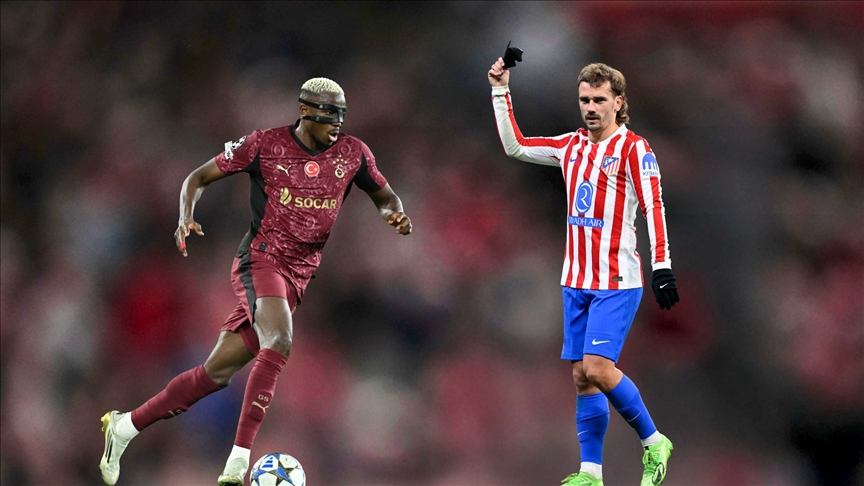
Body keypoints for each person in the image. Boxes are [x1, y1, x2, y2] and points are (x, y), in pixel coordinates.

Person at [99, 77, 412, 486]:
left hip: (297, 276)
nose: (336, 124)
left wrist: (394, 213)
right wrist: (185, 215)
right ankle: (239, 460)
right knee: (279, 340)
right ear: (306, 111)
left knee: (214, 375)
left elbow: (385, 195)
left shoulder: (353, 154)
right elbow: (198, 177)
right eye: (328, 114)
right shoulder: (264, 144)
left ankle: (124, 427)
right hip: (260, 260)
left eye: (341, 115)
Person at [487, 58, 679, 486]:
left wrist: (662, 265)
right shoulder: (570, 146)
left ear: (618, 102)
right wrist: (501, 91)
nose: (591, 108)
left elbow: (654, 206)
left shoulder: (635, 149)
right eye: (585, 100)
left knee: (596, 367)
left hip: (616, 280)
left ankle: (654, 441)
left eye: (599, 100)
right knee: (581, 377)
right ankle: (591, 473)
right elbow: (516, 146)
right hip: (575, 279)